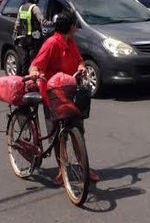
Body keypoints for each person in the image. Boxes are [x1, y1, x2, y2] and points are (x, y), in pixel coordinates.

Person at [28, 11, 99, 183]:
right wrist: (35, 73)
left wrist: (81, 67)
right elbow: (35, 66)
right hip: (52, 94)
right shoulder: (51, 43)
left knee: (77, 131)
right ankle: (62, 170)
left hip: (69, 92)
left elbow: (79, 60)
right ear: (71, 27)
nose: (76, 27)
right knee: (57, 135)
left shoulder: (70, 42)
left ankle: (84, 167)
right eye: (75, 25)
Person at [14, 0, 48, 75]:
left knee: (25, 61)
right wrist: (54, 23)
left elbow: (17, 24)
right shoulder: (34, 8)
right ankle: (33, 79)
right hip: (34, 39)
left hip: (23, 38)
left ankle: (25, 79)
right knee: (34, 61)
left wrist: (15, 35)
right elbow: (43, 21)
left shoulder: (22, 8)